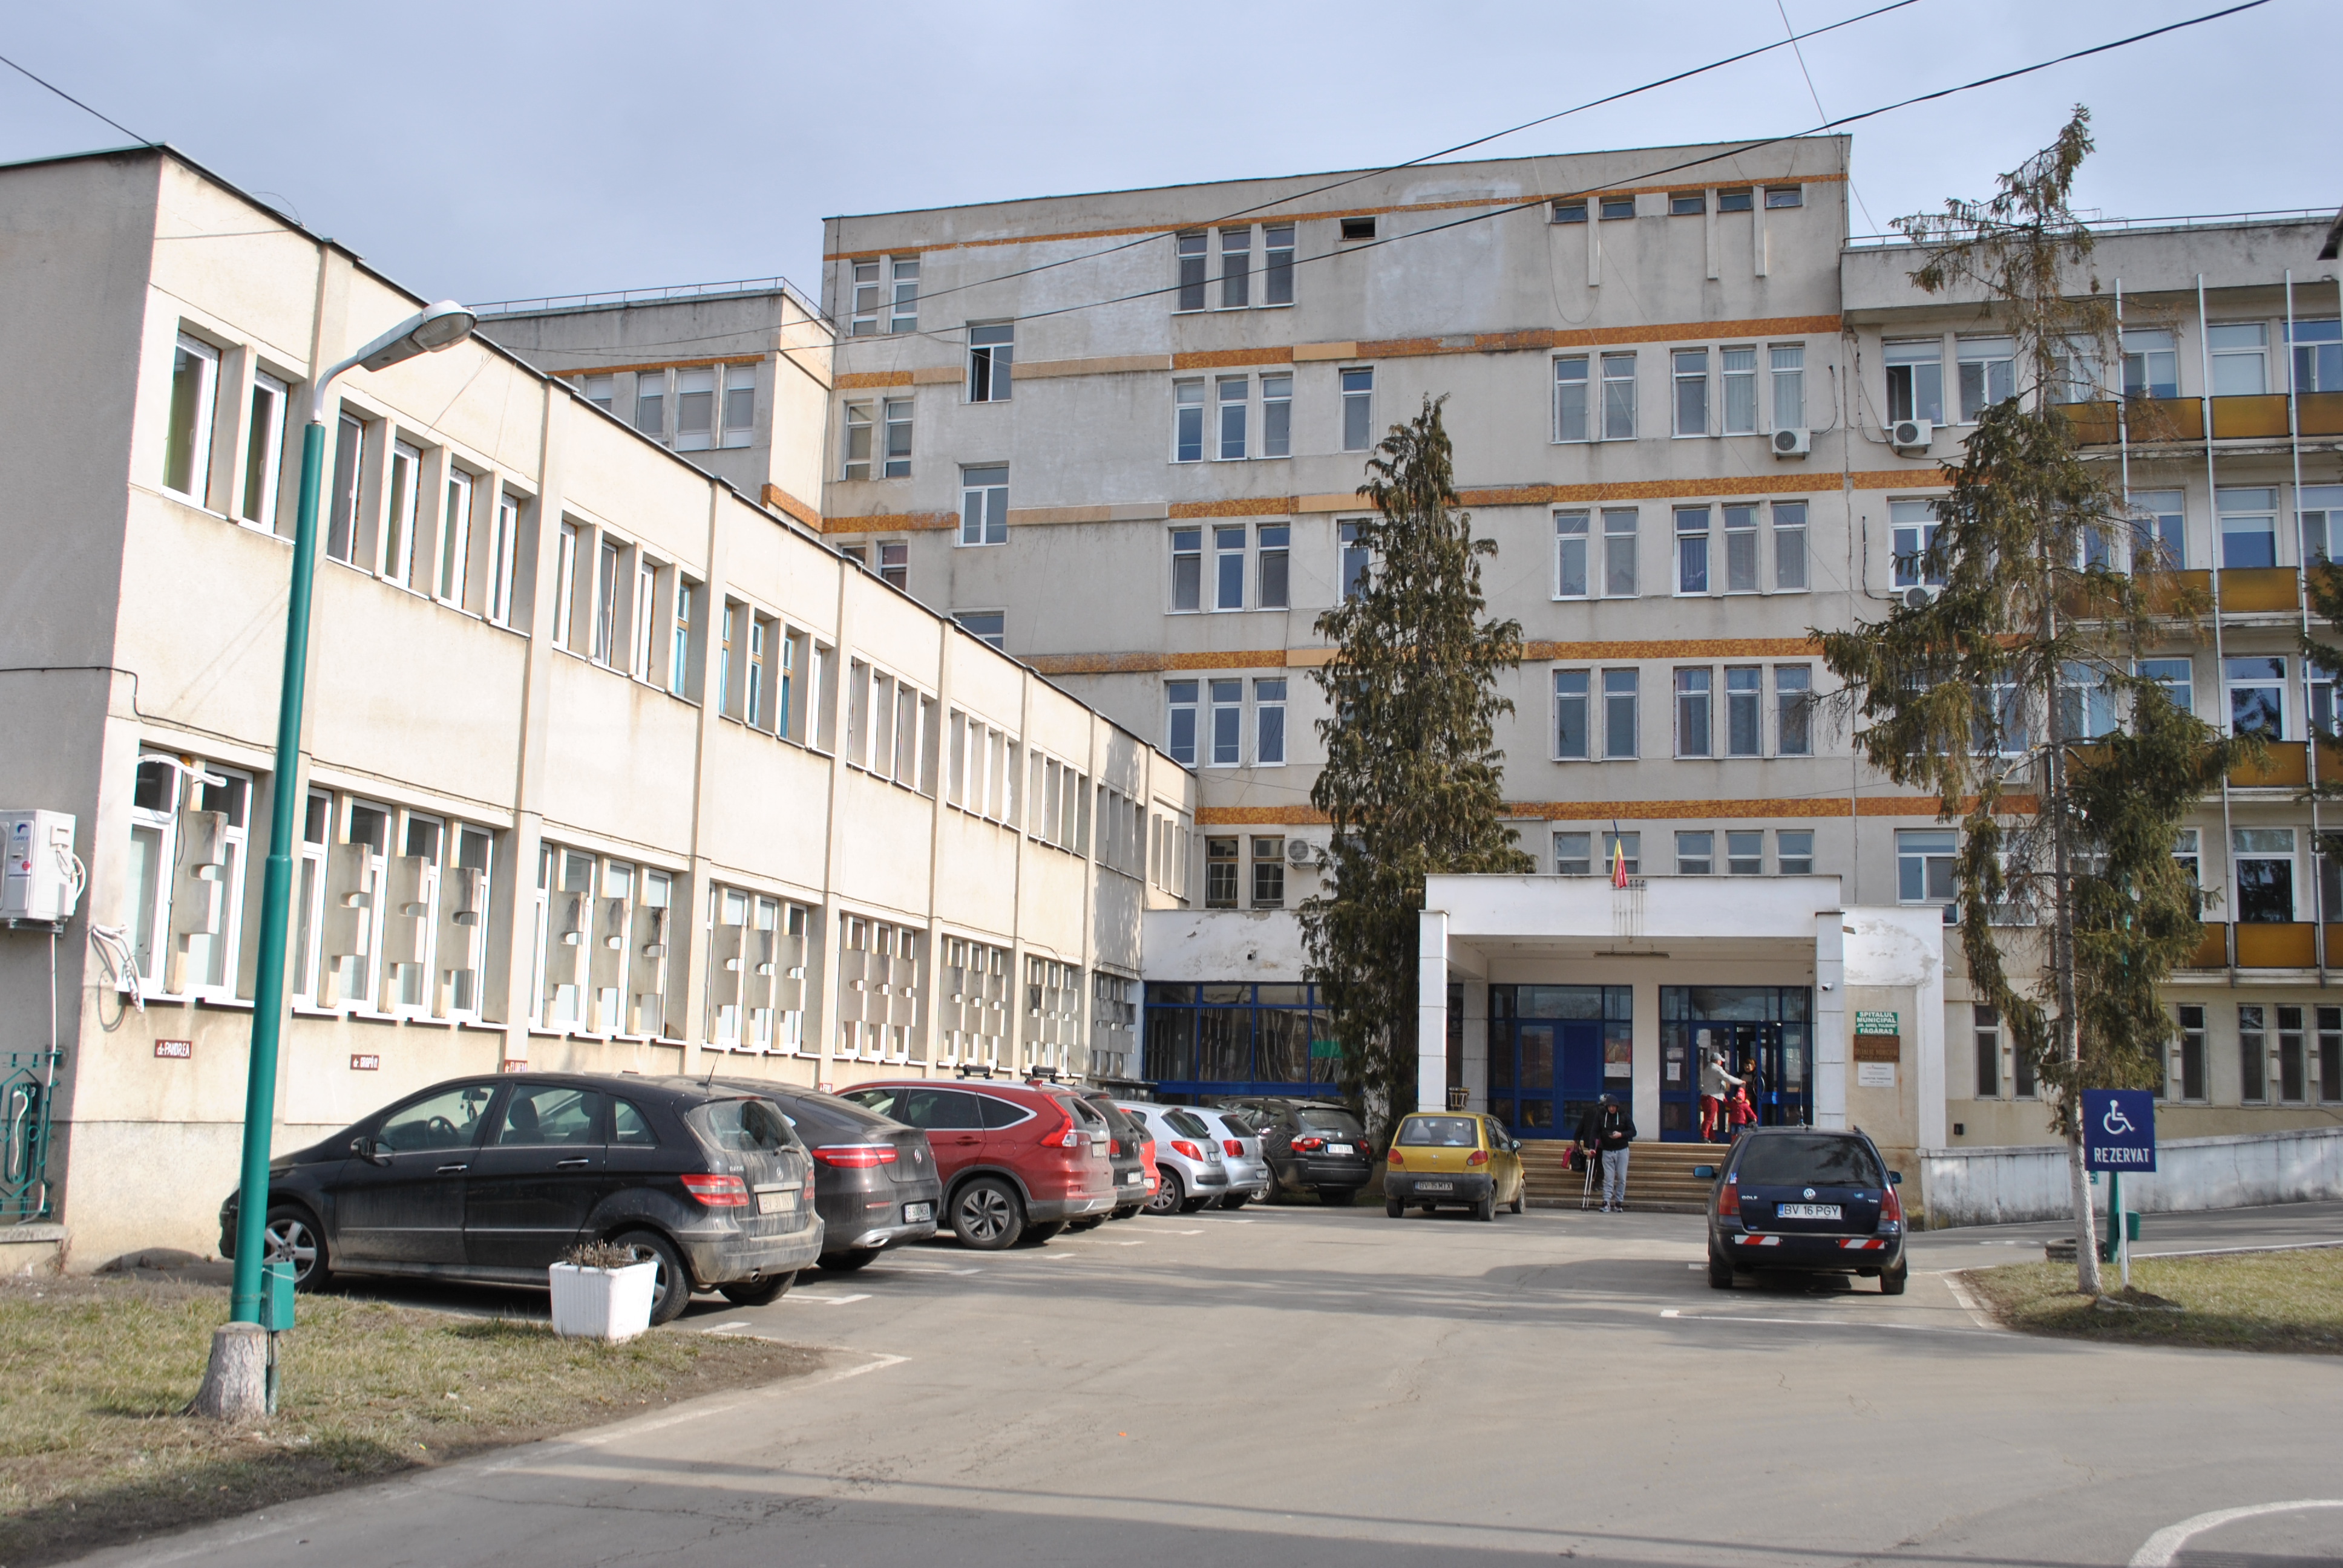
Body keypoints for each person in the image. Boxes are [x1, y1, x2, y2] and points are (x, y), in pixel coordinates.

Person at [1591, 1094, 1636, 1213]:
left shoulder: (1624, 1115)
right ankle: (1606, 1202)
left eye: (1614, 1106)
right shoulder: (1601, 1115)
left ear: (1617, 1106)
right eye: (1609, 1106)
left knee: (1622, 1177)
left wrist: (1621, 1135)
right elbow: (1595, 1131)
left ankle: (1618, 1202)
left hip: (1622, 1150)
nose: (1611, 1109)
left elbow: (1633, 1131)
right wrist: (1592, 1147)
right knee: (1608, 1178)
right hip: (1607, 1150)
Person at [1698, 1047, 1745, 1143]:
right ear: (1717, 1061)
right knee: (1710, 1118)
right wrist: (1740, 1082)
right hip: (1712, 1097)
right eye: (1720, 1061)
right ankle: (1704, 1136)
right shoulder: (1716, 1069)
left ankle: (1712, 1138)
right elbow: (1727, 1078)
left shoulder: (1707, 1069)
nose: (1721, 1063)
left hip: (1705, 1096)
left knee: (1708, 1118)